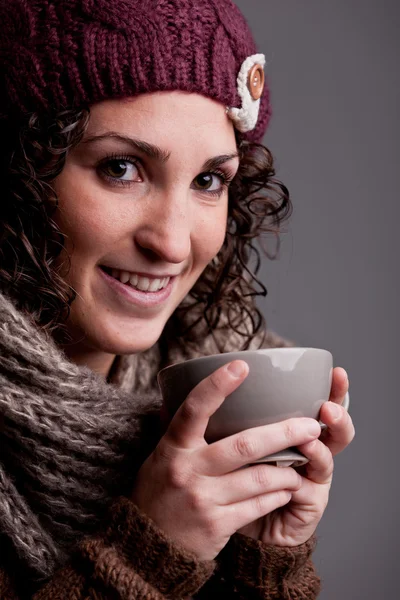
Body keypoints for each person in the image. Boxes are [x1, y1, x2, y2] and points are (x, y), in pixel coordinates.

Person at [0, 0, 355, 598]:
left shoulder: (218, 384)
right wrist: (149, 553)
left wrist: (261, 557)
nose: (171, 242)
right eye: (120, 167)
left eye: (208, 181)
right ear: (20, 171)